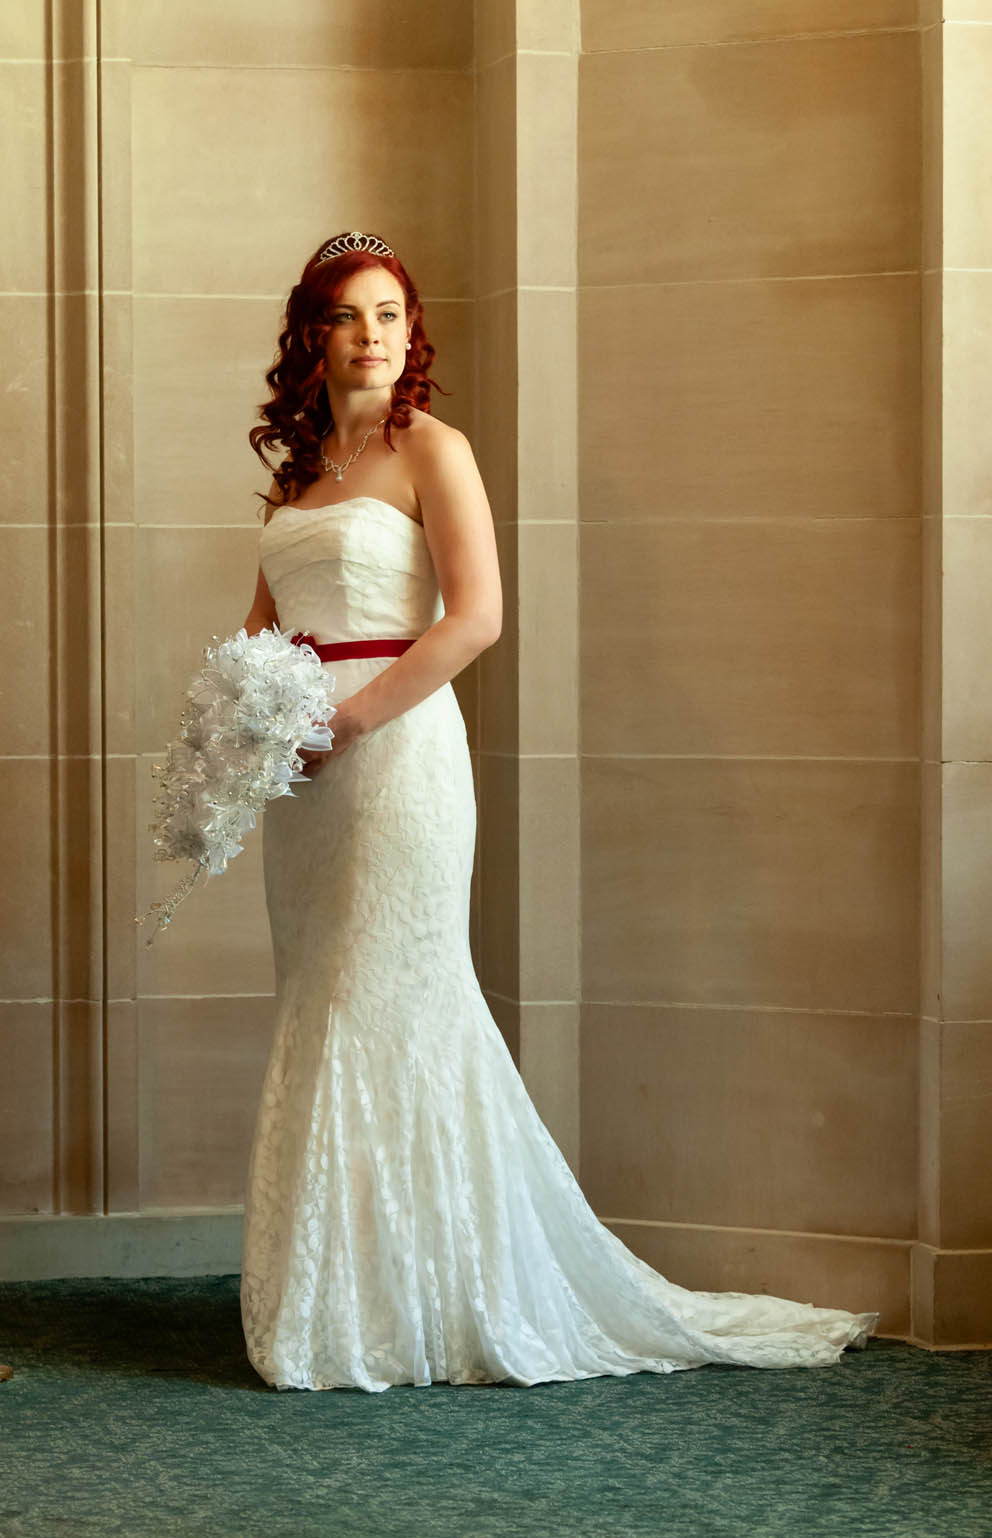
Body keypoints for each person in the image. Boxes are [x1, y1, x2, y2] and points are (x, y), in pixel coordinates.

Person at [238, 230, 880, 1392]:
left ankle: (435, 1299)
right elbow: (262, 630)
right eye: (347, 316)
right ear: (311, 336)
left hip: (394, 756)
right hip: (305, 782)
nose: (371, 335)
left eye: (389, 314)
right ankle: (352, 1287)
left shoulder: (433, 448)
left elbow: (474, 616)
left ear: (408, 331)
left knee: (393, 995)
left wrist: (351, 717)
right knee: (320, 996)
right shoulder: (295, 474)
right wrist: (248, 719)